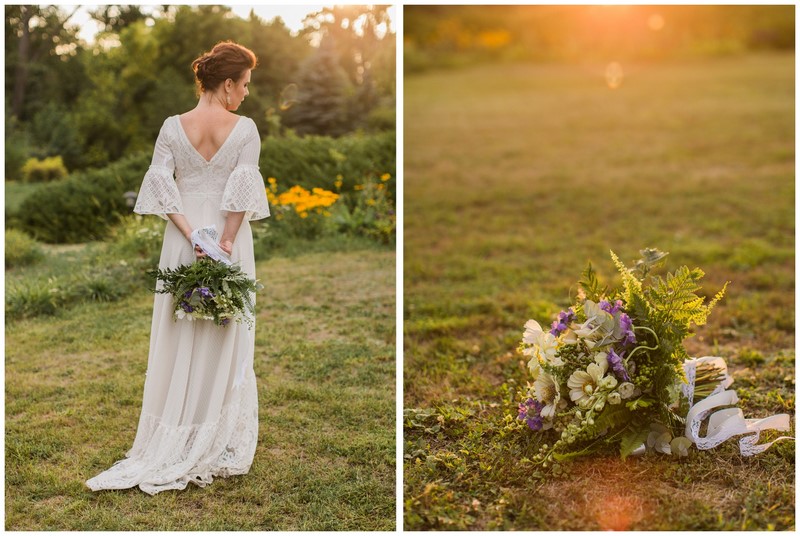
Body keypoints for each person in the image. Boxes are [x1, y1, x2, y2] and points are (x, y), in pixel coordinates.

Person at [86, 41, 270, 495]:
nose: (246, 93)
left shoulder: (172, 127)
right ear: (227, 83)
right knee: (226, 328)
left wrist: (192, 237)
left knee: (179, 328)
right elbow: (241, 196)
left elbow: (162, 188)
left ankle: (179, 428)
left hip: (184, 238)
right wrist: (224, 242)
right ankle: (214, 436)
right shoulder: (245, 130)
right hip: (227, 239)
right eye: (244, 84)